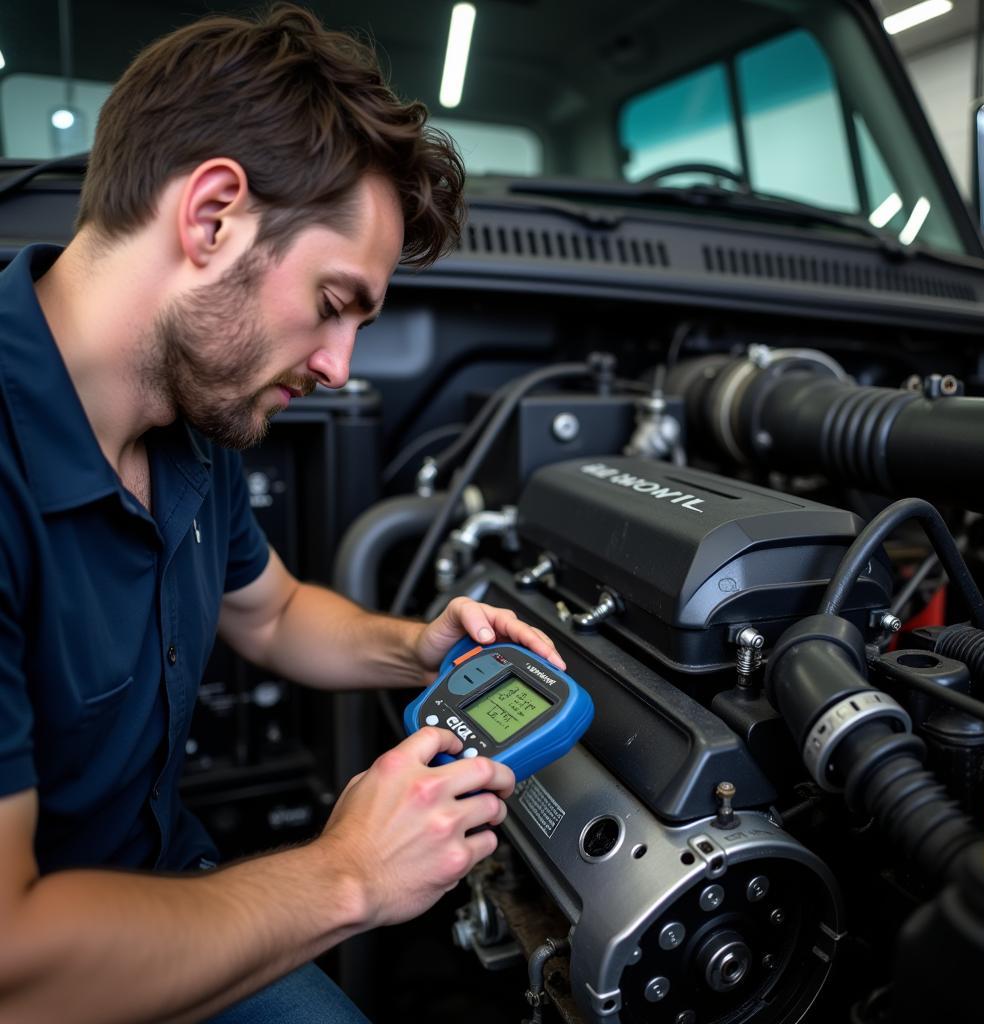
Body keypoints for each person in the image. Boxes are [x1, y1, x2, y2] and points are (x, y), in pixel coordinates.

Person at [0, 6, 566, 1022]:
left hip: (163, 892)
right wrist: (347, 875)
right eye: (335, 302)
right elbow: (14, 962)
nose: (340, 369)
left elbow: (267, 611)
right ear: (213, 216)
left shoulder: (187, 419)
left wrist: (417, 647)